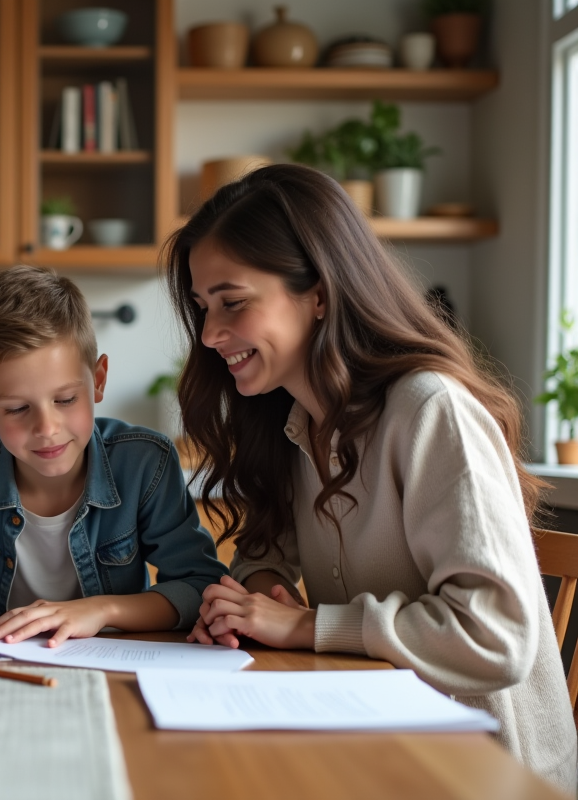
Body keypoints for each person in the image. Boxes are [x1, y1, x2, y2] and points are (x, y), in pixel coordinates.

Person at [172, 163, 576, 791]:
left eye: (233, 302)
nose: (210, 334)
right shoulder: (291, 418)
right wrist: (263, 592)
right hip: (378, 736)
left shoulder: (430, 410)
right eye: (202, 307)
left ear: (320, 294)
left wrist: (306, 626)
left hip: (489, 772)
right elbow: (267, 549)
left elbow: (497, 637)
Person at [0, 265, 226, 646]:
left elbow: (200, 586)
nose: (47, 427)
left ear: (99, 379)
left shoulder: (144, 463)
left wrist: (101, 610)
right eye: (17, 409)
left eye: (66, 399)